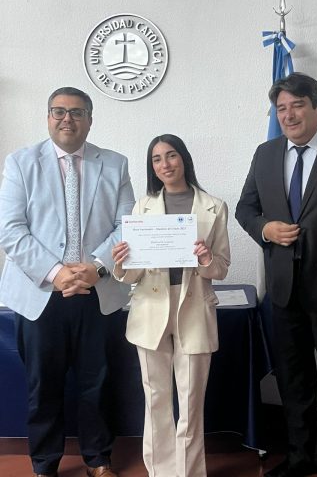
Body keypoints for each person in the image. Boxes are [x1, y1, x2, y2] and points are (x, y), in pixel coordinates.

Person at [0, 87, 135, 477]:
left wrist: (97, 266)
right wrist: (57, 272)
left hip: (97, 290)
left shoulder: (115, 164)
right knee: (43, 385)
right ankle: (44, 464)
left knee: (98, 382)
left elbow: (127, 224)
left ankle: (98, 459)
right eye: (58, 111)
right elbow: (11, 230)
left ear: (90, 120)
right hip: (40, 291)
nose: (67, 119)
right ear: (48, 117)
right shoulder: (21, 163)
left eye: (77, 112)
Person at [235, 73, 317, 477]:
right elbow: (246, 209)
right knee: (294, 378)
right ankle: (299, 455)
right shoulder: (266, 153)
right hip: (284, 287)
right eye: (281, 108)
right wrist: (265, 229)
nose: (288, 115)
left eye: (298, 105)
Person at [112, 134, 230, 477]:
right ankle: (160, 472)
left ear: (184, 159)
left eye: (171, 155)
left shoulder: (214, 206)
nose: (165, 164)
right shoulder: (142, 207)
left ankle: (189, 472)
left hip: (193, 308)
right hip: (151, 308)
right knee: (156, 399)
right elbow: (133, 274)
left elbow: (221, 267)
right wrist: (122, 262)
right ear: (152, 167)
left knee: (191, 402)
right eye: (157, 159)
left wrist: (206, 259)